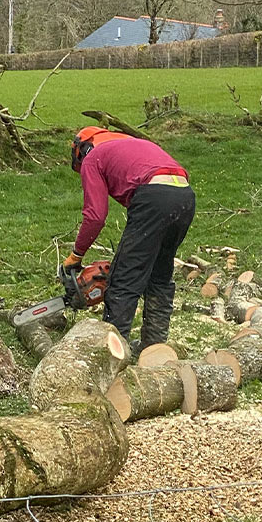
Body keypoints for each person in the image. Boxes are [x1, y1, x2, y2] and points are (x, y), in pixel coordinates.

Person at [63, 125, 195, 352]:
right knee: (159, 274)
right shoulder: (136, 145)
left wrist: (76, 255)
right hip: (185, 197)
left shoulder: (93, 157)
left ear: (81, 151)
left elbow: (95, 217)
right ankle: (154, 346)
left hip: (154, 197)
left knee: (124, 279)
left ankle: (114, 351)